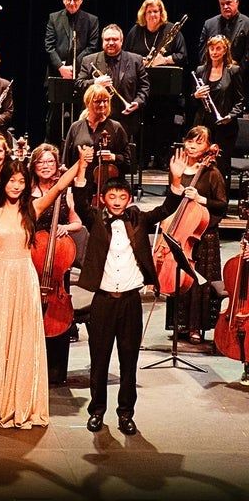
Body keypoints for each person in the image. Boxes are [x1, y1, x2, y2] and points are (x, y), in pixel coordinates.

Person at [0, 136, 91, 431]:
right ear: (4, 184)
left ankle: (18, 402)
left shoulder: (32, 210)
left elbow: (59, 187)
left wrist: (81, 163)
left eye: (21, 181)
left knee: (22, 338)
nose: (16, 185)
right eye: (11, 181)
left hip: (24, 278)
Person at [72, 152, 187, 436]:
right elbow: (80, 200)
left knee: (128, 361)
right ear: (103, 199)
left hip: (130, 302)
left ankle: (126, 414)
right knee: (99, 360)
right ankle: (97, 411)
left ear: (129, 199)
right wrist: (83, 167)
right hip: (103, 301)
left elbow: (166, 208)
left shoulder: (138, 219)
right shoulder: (95, 219)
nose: (117, 201)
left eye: (122, 197)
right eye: (112, 196)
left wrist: (175, 180)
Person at [28, 143, 85, 384]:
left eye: (50, 161)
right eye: (41, 162)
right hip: (33, 258)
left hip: (59, 261)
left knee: (59, 314)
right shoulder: (26, 191)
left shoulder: (65, 192)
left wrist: (65, 227)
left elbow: (77, 223)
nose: (46, 166)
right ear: (34, 166)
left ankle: (56, 371)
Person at [167, 127, 227, 344]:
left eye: (199, 142)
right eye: (190, 141)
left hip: (203, 234)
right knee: (179, 277)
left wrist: (201, 199)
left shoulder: (212, 173)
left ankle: (195, 327)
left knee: (198, 282)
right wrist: (175, 182)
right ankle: (179, 325)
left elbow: (222, 205)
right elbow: (170, 200)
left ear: (208, 147)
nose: (192, 146)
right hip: (181, 230)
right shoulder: (178, 168)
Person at [124, 0, 188, 168]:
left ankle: (162, 159)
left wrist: (164, 60)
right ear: (144, 14)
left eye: (156, 11)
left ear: (161, 13)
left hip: (166, 89)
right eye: (149, 12)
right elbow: (126, 55)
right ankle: (142, 159)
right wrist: (140, 61)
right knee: (143, 124)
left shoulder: (171, 30)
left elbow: (183, 55)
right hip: (141, 87)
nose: (153, 15)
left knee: (164, 124)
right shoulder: (135, 31)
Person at [76, 24, 149, 161]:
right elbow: (79, 85)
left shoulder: (135, 60)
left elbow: (144, 87)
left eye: (114, 39)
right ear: (102, 41)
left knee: (123, 159)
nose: (110, 42)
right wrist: (95, 82)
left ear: (121, 41)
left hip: (125, 119)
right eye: (107, 39)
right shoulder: (89, 60)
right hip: (95, 120)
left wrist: (137, 103)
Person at [44, 0, 100, 142]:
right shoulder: (54, 18)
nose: (72, 2)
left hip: (80, 75)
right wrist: (61, 67)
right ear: (63, 0)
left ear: (81, 0)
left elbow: (92, 47)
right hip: (57, 74)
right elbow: (49, 46)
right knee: (54, 118)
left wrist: (74, 67)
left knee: (79, 116)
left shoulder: (92, 20)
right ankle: (53, 148)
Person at [63, 84, 132, 194]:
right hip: (81, 186)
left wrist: (113, 157)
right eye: (97, 101)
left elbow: (128, 162)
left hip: (108, 188)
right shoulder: (76, 127)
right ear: (88, 103)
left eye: (105, 101)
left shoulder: (116, 127)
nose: (102, 105)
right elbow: (66, 160)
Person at [193, 35, 244, 179]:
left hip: (225, 126)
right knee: (201, 164)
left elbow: (241, 100)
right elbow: (192, 102)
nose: (214, 52)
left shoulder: (233, 70)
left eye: (218, 48)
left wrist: (230, 116)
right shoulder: (200, 70)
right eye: (212, 48)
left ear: (225, 50)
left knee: (221, 166)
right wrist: (196, 95)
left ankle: (221, 194)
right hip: (204, 125)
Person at [198, 0, 249, 73]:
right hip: (212, 75)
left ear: (237, 2)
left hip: (240, 76)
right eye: (222, 4)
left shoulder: (247, 24)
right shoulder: (209, 24)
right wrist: (212, 71)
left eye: (228, 3)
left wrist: (236, 72)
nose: (225, 7)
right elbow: (203, 52)